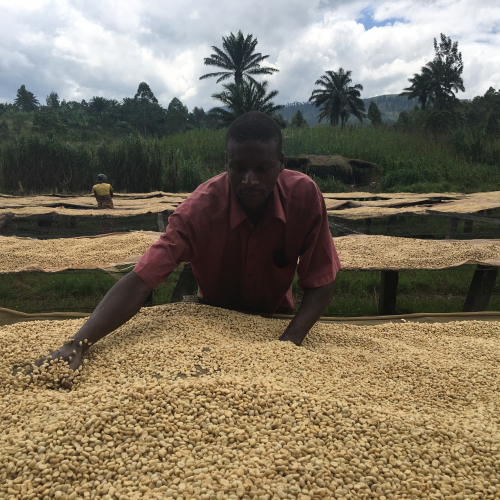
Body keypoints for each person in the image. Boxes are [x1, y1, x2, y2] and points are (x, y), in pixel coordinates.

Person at [32, 112, 341, 388]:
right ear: (226, 164)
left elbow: (322, 279)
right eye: (238, 168)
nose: (249, 180)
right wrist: (78, 343)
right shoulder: (199, 210)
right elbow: (143, 279)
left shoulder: (304, 199)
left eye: (262, 168)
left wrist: (290, 342)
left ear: (281, 164)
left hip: (273, 321)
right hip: (209, 323)